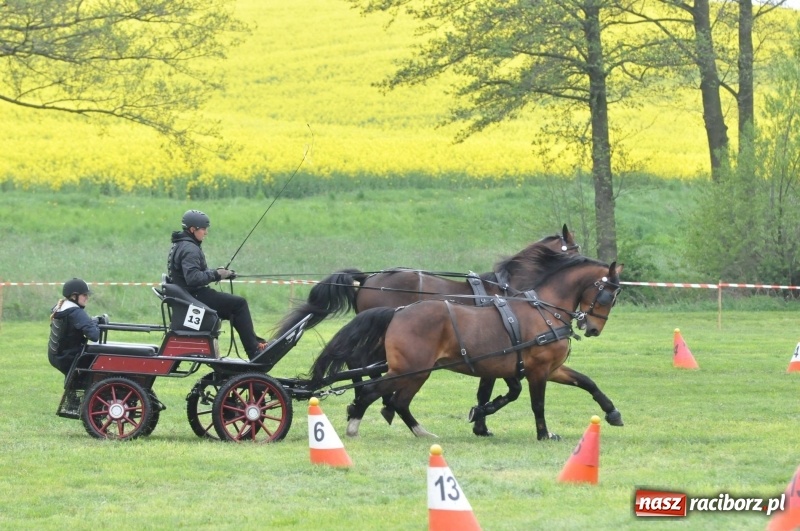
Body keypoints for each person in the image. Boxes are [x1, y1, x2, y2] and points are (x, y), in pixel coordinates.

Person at [167, 209, 268, 359]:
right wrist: (215, 274)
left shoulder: (181, 244)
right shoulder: (190, 249)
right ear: (193, 229)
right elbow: (193, 278)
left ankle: (255, 344)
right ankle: (254, 351)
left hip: (189, 295)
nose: (206, 232)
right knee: (239, 304)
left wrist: (219, 273)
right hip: (195, 297)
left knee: (233, 308)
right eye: (203, 229)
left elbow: (194, 274)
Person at [48, 278, 101, 376]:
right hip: (69, 358)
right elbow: (94, 335)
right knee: (101, 359)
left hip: (56, 356)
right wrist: (94, 322)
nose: (87, 298)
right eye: (84, 295)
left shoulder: (59, 308)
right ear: (74, 296)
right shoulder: (76, 312)